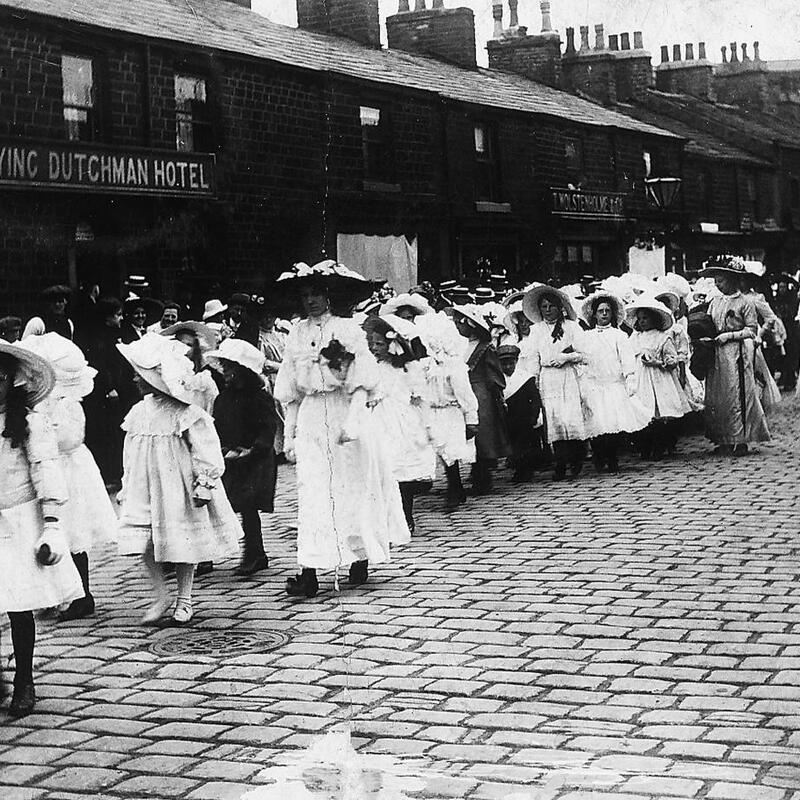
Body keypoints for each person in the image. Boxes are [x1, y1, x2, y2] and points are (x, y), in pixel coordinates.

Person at [274, 260, 409, 598]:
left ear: (329, 296)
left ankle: (358, 554)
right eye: (305, 295)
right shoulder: (296, 333)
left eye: (316, 294)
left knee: (350, 489)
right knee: (313, 493)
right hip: (311, 416)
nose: (310, 301)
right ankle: (309, 570)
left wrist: (354, 423)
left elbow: (364, 382)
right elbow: (289, 390)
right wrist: (290, 433)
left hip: (343, 414)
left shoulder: (347, 330)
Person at [116, 334, 242, 625]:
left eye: (140, 375)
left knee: (183, 539)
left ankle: (184, 599)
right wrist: (126, 484)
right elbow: (130, 452)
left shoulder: (185, 413)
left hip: (176, 485)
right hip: (145, 486)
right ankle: (160, 594)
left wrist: (205, 482)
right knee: (143, 541)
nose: (136, 380)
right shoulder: (138, 411)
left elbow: (206, 449)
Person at [0, 343, 84, 717]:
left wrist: (51, 524)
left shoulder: (28, 423)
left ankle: (24, 679)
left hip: (18, 520)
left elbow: (46, 471)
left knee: (19, 606)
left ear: (12, 381)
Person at [18, 334, 118, 621]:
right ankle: (54, 594)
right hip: (46, 469)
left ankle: (82, 595)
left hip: (69, 471)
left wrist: (45, 430)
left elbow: (71, 438)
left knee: (73, 533)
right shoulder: (33, 406)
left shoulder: (67, 402)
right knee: (44, 534)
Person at [209, 338, 278, 577]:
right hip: (231, 458)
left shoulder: (258, 397)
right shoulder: (224, 398)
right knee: (229, 502)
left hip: (254, 459)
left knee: (248, 504)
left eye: (231, 368)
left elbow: (268, 428)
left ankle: (254, 552)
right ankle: (211, 553)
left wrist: (254, 449)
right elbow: (218, 425)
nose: (226, 373)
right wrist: (221, 449)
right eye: (224, 368)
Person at [362, 314, 436, 533]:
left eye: (379, 344)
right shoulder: (372, 367)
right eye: (372, 344)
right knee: (380, 470)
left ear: (392, 345)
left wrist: (424, 422)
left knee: (400, 471)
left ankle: (405, 515)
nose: (375, 348)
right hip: (377, 420)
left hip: (400, 422)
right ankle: (384, 518)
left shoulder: (406, 368)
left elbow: (419, 395)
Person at [699, 256, 771, 454]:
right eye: (715, 281)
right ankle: (723, 439)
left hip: (735, 353)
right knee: (718, 395)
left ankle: (740, 439)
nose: (718, 285)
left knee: (736, 394)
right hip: (717, 353)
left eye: (720, 280)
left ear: (731, 279)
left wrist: (730, 335)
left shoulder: (745, 302)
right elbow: (710, 324)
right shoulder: (715, 301)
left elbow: (751, 330)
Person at [521, 285, 589, 480]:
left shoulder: (571, 327)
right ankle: (560, 461)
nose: (548, 310)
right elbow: (533, 356)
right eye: (544, 306)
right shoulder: (536, 330)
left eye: (552, 306)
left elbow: (585, 354)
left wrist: (567, 358)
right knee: (554, 418)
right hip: (548, 378)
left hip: (568, 375)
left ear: (560, 308)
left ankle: (576, 457)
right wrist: (533, 379)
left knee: (570, 416)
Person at [415, 311, 478, 509]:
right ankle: (451, 485)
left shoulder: (454, 366)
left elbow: (465, 394)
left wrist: (471, 418)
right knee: (437, 451)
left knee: (450, 451)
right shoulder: (424, 365)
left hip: (450, 412)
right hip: (430, 411)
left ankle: (454, 486)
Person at [580, 292, 650, 472]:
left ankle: (612, 457)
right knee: (596, 422)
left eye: (608, 311)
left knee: (612, 422)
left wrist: (630, 377)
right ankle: (598, 455)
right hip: (594, 384)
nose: (604, 314)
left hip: (613, 383)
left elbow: (627, 359)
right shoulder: (587, 336)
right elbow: (582, 359)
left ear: (612, 314)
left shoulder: (619, 336)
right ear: (594, 314)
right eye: (600, 311)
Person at [626, 295, 693, 460]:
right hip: (641, 378)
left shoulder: (663, 337)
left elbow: (672, 360)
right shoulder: (635, 337)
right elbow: (628, 356)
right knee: (643, 411)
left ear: (654, 319)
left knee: (660, 413)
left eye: (645, 318)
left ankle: (660, 446)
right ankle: (644, 447)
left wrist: (658, 362)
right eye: (639, 318)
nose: (642, 321)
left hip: (659, 379)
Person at [451, 305, 510, 494]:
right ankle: (475, 474)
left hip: (481, 392)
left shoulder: (485, 348)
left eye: (459, 323)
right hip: (466, 390)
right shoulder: (461, 346)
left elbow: (495, 374)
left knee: (482, 437)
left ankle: (483, 477)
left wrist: (495, 394)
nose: (457, 327)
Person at [81, 298, 137, 489]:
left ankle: (118, 473)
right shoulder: (99, 338)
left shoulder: (116, 334)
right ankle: (110, 474)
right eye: (117, 314)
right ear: (108, 317)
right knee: (107, 433)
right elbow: (100, 365)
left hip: (121, 390)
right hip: (107, 394)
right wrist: (109, 387)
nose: (121, 318)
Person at [497, 344, 543, 483]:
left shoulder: (525, 378)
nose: (507, 367)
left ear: (516, 361)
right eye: (504, 364)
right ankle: (518, 467)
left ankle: (525, 471)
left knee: (524, 445)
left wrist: (534, 416)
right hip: (508, 418)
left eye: (510, 363)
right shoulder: (498, 379)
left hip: (524, 417)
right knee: (513, 445)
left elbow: (535, 399)